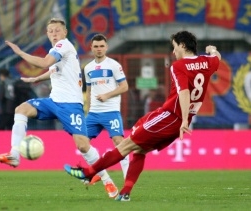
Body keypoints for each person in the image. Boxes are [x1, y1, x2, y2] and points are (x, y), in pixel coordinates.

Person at [64, 30, 222, 201]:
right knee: (140, 149)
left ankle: (88, 172)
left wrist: (183, 120)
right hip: (176, 119)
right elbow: (217, 57)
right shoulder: (208, 62)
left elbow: (183, 92)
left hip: (170, 117)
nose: (173, 51)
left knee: (126, 145)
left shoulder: (179, 66)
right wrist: (212, 50)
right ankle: (125, 193)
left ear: (183, 46)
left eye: (175, 47)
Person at [0, 18, 118, 198]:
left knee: (83, 146)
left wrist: (20, 52)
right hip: (53, 101)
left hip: (71, 105)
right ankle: (14, 154)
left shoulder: (63, 45)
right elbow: (53, 70)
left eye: (57, 30)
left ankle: (107, 181)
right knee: (21, 109)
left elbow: (45, 63)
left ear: (64, 33)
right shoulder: (60, 51)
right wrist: (36, 79)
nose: (54, 33)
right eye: (50, 31)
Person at [84, 34, 129, 185]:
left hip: (111, 111)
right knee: (82, 143)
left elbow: (124, 87)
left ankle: (128, 178)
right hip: (93, 113)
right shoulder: (88, 68)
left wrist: (107, 95)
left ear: (106, 47)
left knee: (119, 142)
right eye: (96, 46)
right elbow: (89, 91)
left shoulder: (114, 65)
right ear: (91, 48)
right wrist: (88, 110)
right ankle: (98, 174)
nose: (99, 49)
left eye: (101, 46)